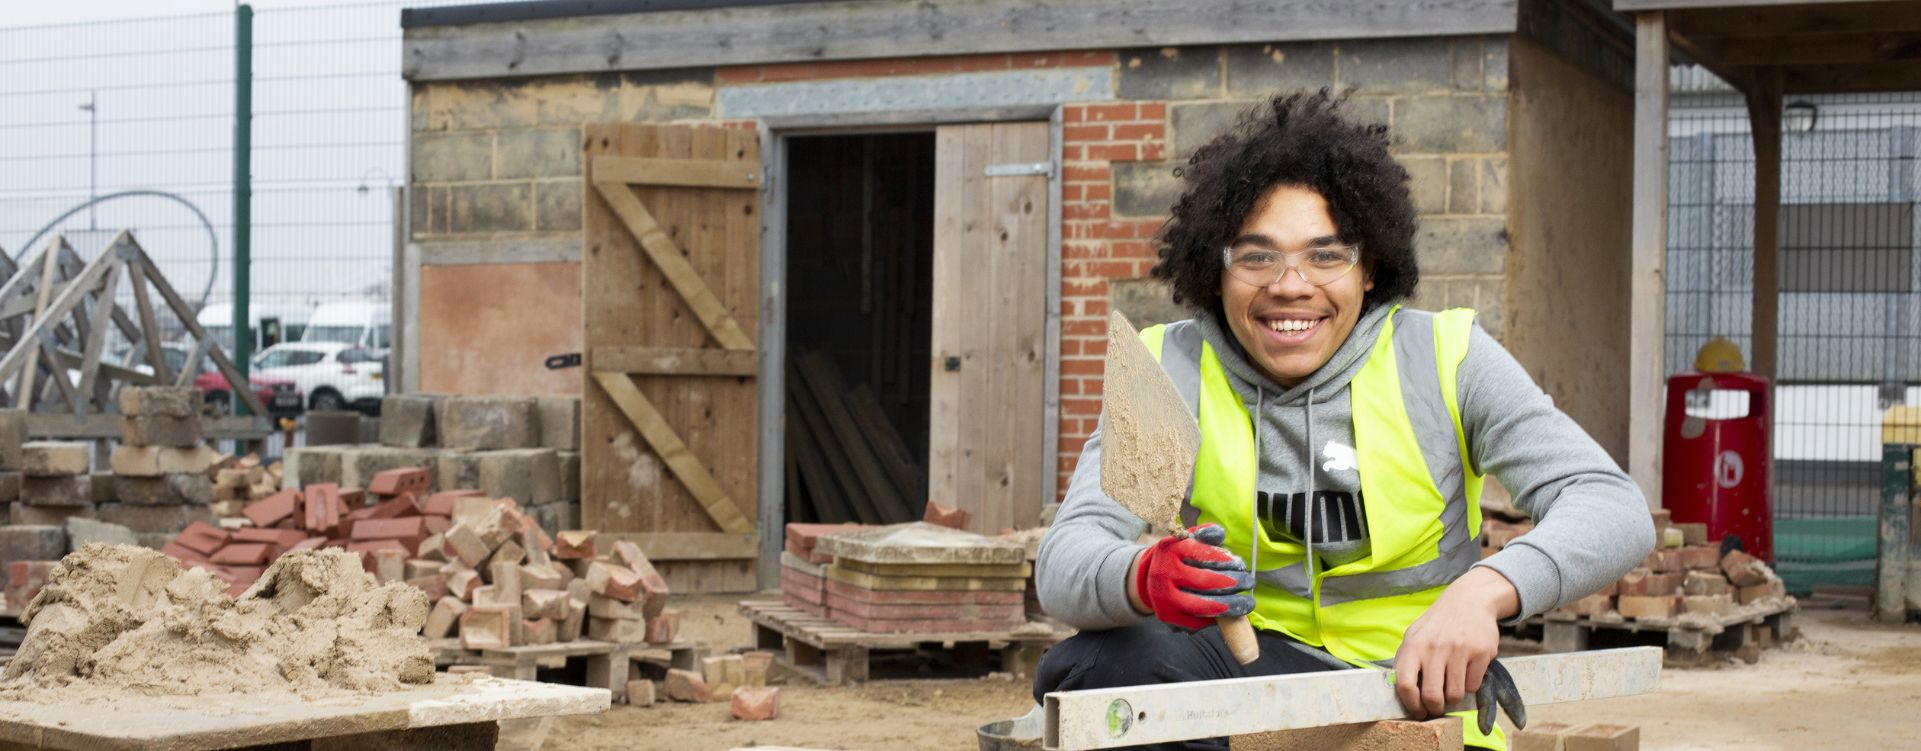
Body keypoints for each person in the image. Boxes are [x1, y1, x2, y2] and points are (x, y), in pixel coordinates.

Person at [1032, 89, 1655, 751]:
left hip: (1413, 693)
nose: (1289, 284)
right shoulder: (1167, 369)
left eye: (1325, 256)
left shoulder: (1444, 358)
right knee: (1100, 665)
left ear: (1370, 269)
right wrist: (1138, 576)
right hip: (1248, 686)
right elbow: (1066, 559)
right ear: (1214, 274)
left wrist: (1484, 592)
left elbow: (1610, 504)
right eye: (1256, 256)